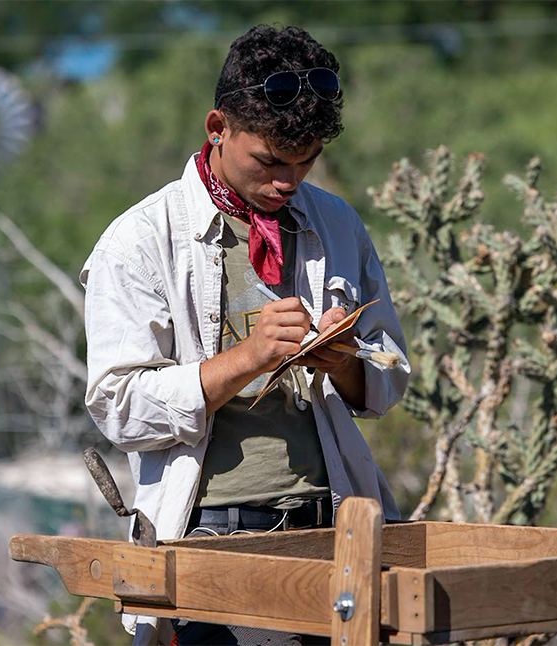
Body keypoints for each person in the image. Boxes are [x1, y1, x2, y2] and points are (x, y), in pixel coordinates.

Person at [80, 24, 409, 646]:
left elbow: (389, 380)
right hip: (210, 538)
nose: (288, 181)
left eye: (305, 161)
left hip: (334, 527)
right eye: (269, 161)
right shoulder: (142, 240)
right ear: (217, 128)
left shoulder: (336, 223)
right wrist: (250, 357)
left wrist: (343, 361)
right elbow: (119, 409)